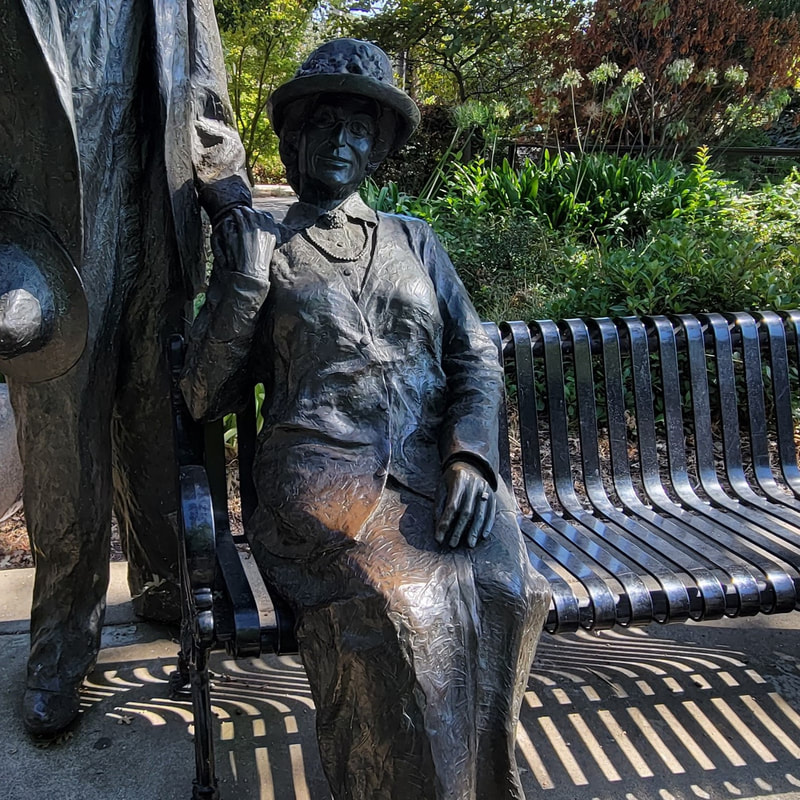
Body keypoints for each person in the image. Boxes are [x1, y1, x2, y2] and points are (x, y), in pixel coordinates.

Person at [181, 38, 550, 800]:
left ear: (379, 146)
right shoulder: (264, 244)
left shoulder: (417, 239)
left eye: (361, 130)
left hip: (432, 469)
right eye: (326, 126)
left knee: (505, 588)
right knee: (402, 604)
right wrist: (245, 281)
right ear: (294, 137)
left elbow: (475, 357)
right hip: (321, 480)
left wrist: (471, 458)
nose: (343, 143)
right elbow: (200, 395)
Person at [0, 0, 251, 737]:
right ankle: (60, 645)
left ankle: (167, 591)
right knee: (62, 461)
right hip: (48, 242)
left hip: (156, 217)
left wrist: (230, 200)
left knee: (159, 435)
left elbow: (202, 93)